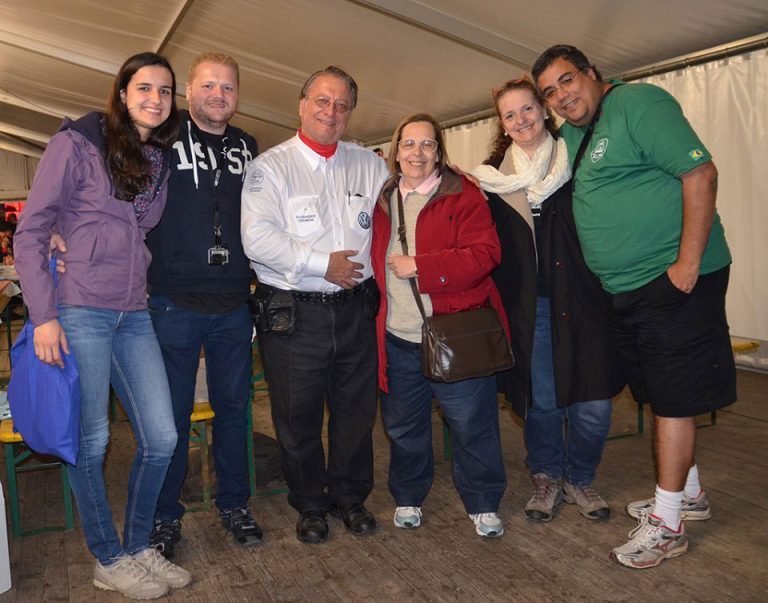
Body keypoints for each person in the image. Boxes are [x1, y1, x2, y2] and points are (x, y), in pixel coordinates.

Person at [533, 45, 735, 569]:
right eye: (550, 92)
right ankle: (688, 495)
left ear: (592, 73)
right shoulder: (574, 135)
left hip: (672, 281)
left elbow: (701, 174)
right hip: (625, 289)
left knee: (674, 400)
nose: (561, 96)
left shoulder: (638, 103)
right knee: (661, 395)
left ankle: (667, 526)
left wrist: (686, 267)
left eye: (567, 80)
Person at [14, 52, 191, 599]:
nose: (155, 99)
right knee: (90, 440)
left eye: (165, 91)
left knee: (162, 436)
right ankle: (108, 557)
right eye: (144, 88)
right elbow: (31, 230)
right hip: (79, 308)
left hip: (132, 310)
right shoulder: (78, 143)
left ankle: (138, 545)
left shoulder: (157, 160)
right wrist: (43, 316)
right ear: (122, 93)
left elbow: (132, 231)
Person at [241, 66, 389, 544]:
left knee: (355, 413)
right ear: (302, 104)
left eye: (342, 104)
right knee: (297, 416)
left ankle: (350, 497)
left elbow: (413, 190)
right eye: (322, 101)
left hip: (355, 310)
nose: (331, 111)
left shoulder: (370, 165)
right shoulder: (270, 168)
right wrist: (322, 263)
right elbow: (256, 238)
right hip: (294, 313)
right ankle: (309, 504)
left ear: (351, 113)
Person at [468, 78, 625, 524]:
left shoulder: (578, 158)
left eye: (527, 109)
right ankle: (547, 477)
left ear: (543, 109)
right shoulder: (492, 178)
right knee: (544, 400)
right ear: (502, 125)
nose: (521, 120)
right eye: (510, 114)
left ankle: (580, 477)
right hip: (530, 305)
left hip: (586, 299)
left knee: (594, 401)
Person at [145, 53, 262, 558]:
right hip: (172, 301)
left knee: (234, 411)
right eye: (209, 85)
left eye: (228, 87)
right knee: (170, 417)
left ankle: (234, 505)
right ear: (188, 91)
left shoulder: (248, 147)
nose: (218, 95)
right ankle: (165, 516)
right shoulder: (160, 137)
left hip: (233, 302)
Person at [372, 113, 508, 537]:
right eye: (409, 144)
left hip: (455, 335)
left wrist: (422, 266)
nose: (418, 152)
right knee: (404, 428)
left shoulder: (462, 194)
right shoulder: (381, 201)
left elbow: (486, 254)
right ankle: (408, 495)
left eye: (427, 144)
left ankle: (483, 502)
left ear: (439, 153)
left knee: (471, 425)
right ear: (395, 153)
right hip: (398, 338)